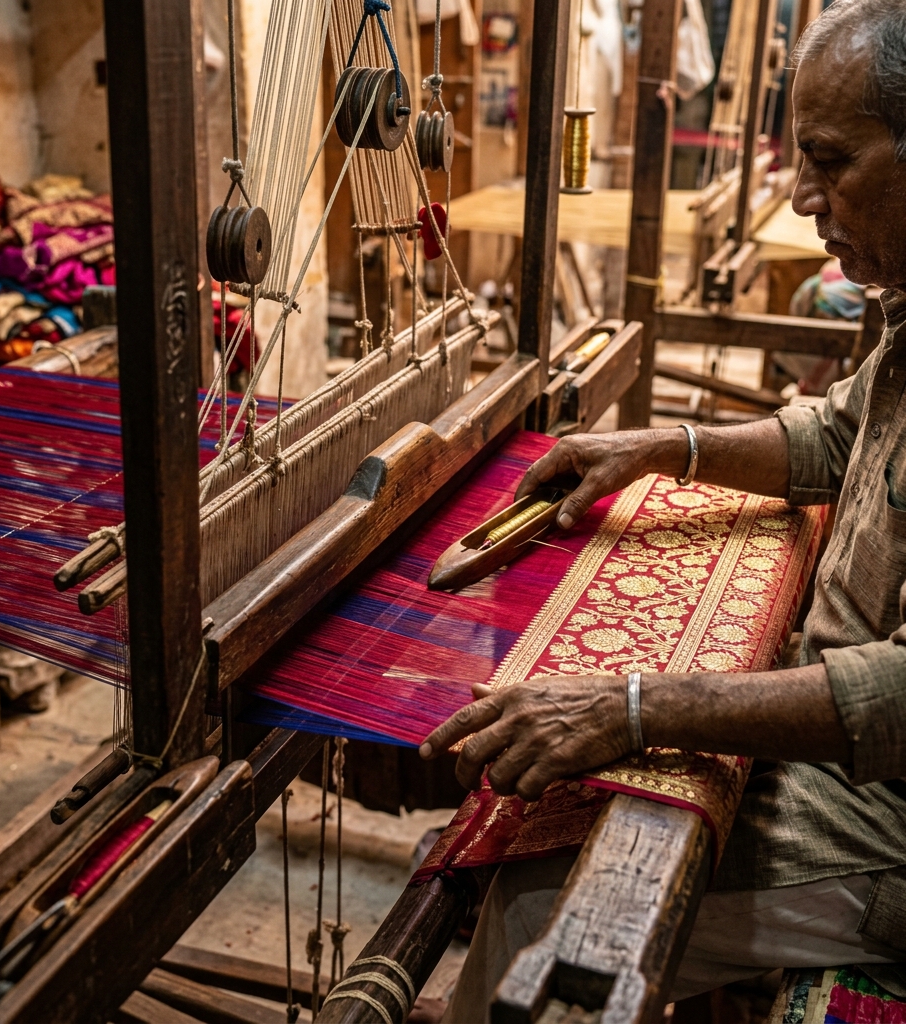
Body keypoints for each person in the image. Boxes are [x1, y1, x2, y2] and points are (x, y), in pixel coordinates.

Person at [421, 0, 906, 1015]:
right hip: (851, 747)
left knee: (540, 910)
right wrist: (659, 446)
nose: (804, 196)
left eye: (828, 158)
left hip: (889, 819)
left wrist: (636, 705)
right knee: (553, 801)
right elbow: (834, 438)